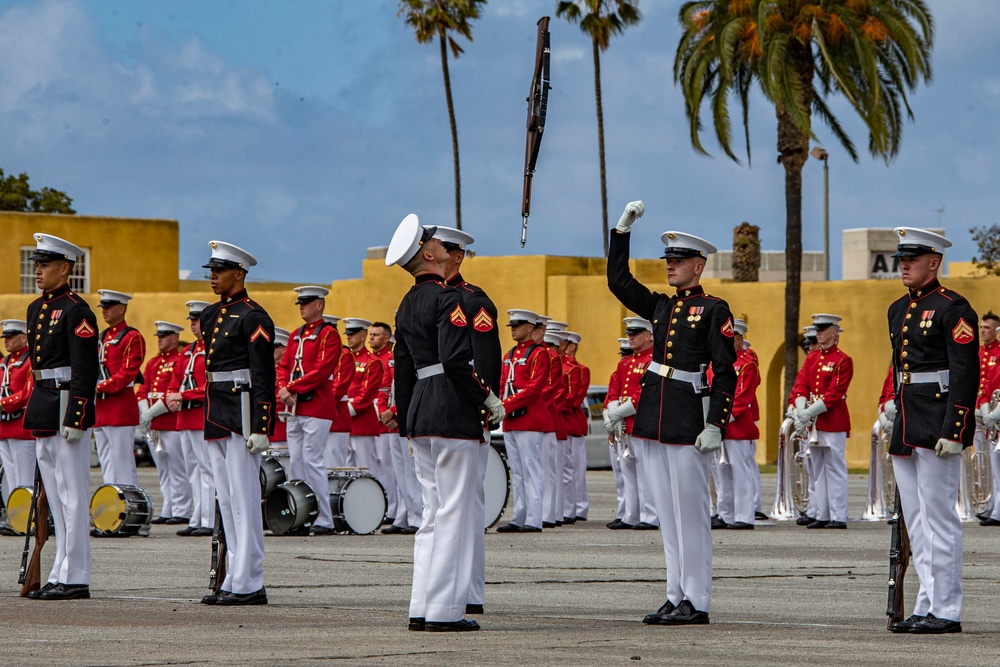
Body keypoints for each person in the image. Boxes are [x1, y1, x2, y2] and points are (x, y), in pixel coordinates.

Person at [607, 201, 737, 625]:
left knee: (691, 511)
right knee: (666, 511)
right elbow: (619, 281)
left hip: (686, 418)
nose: (670, 267)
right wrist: (621, 233)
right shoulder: (662, 307)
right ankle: (674, 591)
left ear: (698, 266)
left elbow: (725, 371)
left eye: (678, 261)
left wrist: (716, 422)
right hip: (654, 415)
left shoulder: (715, 309)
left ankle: (696, 599)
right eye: (668, 260)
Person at [385, 214, 503, 632]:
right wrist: (486, 397)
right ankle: (446, 610)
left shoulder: (407, 302)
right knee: (454, 511)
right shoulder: (446, 298)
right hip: (452, 408)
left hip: (420, 409)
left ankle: (422, 605)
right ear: (431, 253)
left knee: (432, 512)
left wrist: (405, 416)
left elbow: (402, 368)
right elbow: (457, 360)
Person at [885, 227, 978, 634]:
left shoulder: (953, 309)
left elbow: (964, 372)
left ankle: (948, 608)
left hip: (939, 419)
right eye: (901, 258)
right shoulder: (896, 308)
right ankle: (927, 602)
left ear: (934, 262)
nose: (903, 264)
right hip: (907, 419)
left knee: (940, 518)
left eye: (913, 258)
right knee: (917, 522)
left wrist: (955, 427)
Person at [428, 224, 503, 615]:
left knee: (467, 505)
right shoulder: (430, 297)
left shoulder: (474, 302)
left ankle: (470, 589)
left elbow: (487, 361)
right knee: (440, 506)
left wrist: (485, 407)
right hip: (435, 414)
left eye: (441, 250)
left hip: (465, 412)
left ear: (457, 256)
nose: (433, 255)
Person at [198, 240, 275, 606]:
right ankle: (234, 577)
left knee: (244, 499)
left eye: (219, 271)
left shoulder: (253, 316)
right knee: (227, 500)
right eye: (211, 271)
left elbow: (263, 374)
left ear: (239, 274)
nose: (213, 276)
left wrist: (261, 425)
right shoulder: (211, 314)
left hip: (242, 410)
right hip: (217, 409)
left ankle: (249, 579)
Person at [23, 233, 99, 600]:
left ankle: (77, 573)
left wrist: (77, 415)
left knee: (72, 494)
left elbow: (86, 369)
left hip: (67, 403)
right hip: (43, 400)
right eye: (36, 265)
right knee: (54, 496)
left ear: (65, 268)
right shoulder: (36, 309)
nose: (38, 271)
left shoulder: (77, 310)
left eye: (44, 265)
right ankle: (59, 570)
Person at [277, 286, 343, 536]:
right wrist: (284, 388)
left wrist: (291, 387)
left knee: (313, 460)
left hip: (317, 406)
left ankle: (324, 518)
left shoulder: (329, 335)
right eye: (300, 303)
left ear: (319, 305)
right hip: (295, 406)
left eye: (306, 303)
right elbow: (283, 365)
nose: (302, 307)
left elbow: (322, 370)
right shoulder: (295, 335)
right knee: (297, 461)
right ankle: (300, 513)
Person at [788, 314, 853, 529]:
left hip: (832, 420)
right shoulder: (812, 358)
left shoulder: (843, 360)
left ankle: (838, 515)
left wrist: (809, 412)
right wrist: (800, 411)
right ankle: (822, 513)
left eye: (823, 329)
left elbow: (835, 393)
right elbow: (802, 386)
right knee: (816, 468)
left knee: (834, 467)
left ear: (834, 332)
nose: (818, 333)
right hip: (813, 421)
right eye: (817, 329)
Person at [497, 309, 551, 533]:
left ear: (530, 327)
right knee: (517, 471)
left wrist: (505, 405)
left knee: (532, 470)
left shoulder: (540, 354)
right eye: (511, 326)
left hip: (529, 418)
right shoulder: (509, 354)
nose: (513, 330)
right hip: (511, 419)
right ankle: (519, 515)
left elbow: (534, 388)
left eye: (517, 326)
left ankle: (534, 518)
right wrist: (498, 404)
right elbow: (502, 383)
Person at [165, 300, 214, 537]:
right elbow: (176, 377)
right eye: (192, 321)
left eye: (198, 321)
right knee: (192, 469)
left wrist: (181, 394)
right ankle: (198, 516)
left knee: (206, 469)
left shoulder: (213, 348)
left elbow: (208, 386)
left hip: (200, 413)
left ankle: (209, 518)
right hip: (186, 415)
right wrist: (173, 396)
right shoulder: (189, 350)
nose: (194, 325)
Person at [603, 317, 655, 530]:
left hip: (643, 422)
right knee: (628, 471)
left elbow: (644, 393)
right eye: (629, 333)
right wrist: (611, 412)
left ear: (648, 335)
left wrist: (619, 412)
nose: (630, 337)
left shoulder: (653, 361)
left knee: (645, 472)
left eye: (636, 333)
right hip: (625, 425)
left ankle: (650, 515)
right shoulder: (625, 363)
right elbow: (615, 390)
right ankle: (631, 514)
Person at [92, 290, 145, 489]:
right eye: (103, 307)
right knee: (106, 462)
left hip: (120, 406)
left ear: (121, 309)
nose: (104, 311)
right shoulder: (101, 337)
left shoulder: (131, 337)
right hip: (101, 407)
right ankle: (111, 507)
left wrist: (100, 386)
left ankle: (129, 506)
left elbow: (127, 373)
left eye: (108, 307)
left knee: (122, 464)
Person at [138, 321, 189, 525]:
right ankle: (168, 508)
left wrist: (150, 412)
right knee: (163, 470)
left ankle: (182, 509)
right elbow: (143, 390)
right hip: (154, 424)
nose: (159, 339)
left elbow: (171, 393)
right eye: (158, 336)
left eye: (164, 336)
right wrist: (145, 414)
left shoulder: (179, 361)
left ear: (174, 338)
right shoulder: (153, 363)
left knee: (178, 469)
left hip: (170, 421)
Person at [713, 319, 760, 529]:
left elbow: (743, 396)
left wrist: (722, 417)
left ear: (740, 340)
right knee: (721, 472)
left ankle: (744, 515)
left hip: (737, 426)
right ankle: (726, 513)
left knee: (740, 472)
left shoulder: (747, 365)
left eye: (731, 338)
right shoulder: (717, 362)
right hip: (719, 425)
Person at [0, 319, 35, 534]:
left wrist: (3, 403)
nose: (6, 341)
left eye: (11, 337)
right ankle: (15, 517)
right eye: (5, 337)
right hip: (4, 426)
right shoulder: (4, 362)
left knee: (24, 475)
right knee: (10, 476)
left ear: (24, 337)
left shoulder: (30, 361)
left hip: (21, 425)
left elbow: (27, 393)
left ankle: (27, 518)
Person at [343, 318, 384, 473]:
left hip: (361, 420)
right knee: (346, 468)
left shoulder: (372, 362)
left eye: (352, 334)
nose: (348, 337)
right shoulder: (343, 359)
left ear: (362, 336)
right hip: (344, 419)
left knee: (366, 467)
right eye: (347, 334)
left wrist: (348, 410)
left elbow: (367, 392)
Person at [368, 321, 399, 525]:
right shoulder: (369, 359)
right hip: (373, 421)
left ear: (386, 338)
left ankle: (393, 507)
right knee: (376, 467)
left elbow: (388, 390)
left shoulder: (391, 359)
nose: (371, 338)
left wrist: (386, 413)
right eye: (370, 335)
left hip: (389, 422)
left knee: (391, 469)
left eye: (376, 335)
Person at [562, 331, 590, 523]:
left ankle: (580, 507)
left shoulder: (579, 369)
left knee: (576, 470)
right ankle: (566, 506)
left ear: (572, 346)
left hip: (572, 422)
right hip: (559, 422)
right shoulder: (555, 363)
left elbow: (575, 398)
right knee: (562, 470)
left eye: (564, 343)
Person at [975, 312, 1000, 525]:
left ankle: (998, 511)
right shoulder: (979, 352)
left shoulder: (998, 353)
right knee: (984, 465)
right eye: (981, 327)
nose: (983, 330)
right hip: (982, 413)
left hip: (996, 416)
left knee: (997, 465)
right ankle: (991, 506)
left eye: (987, 327)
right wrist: (982, 410)